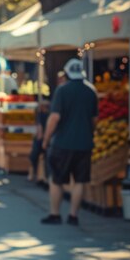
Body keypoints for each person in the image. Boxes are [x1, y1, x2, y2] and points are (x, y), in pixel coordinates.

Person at [41, 58, 98, 225]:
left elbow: (54, 117)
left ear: (66, 73)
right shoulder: (91, 91)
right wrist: (89, 134)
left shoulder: (62, 90)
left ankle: (55, 213)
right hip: (84, 143)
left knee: (56, 179)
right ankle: (73, 215)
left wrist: (46, 138)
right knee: (80, 180)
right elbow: (95, 119)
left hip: (62, 143)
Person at [28, 98, 50, 182]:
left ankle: (40, 176)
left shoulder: (45, 114)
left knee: (39, 157)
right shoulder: (40, 114)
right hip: (44, 138)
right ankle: (38, 175)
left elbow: (39, 129)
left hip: (45, 138)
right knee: (36, 156)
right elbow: (39, 127)